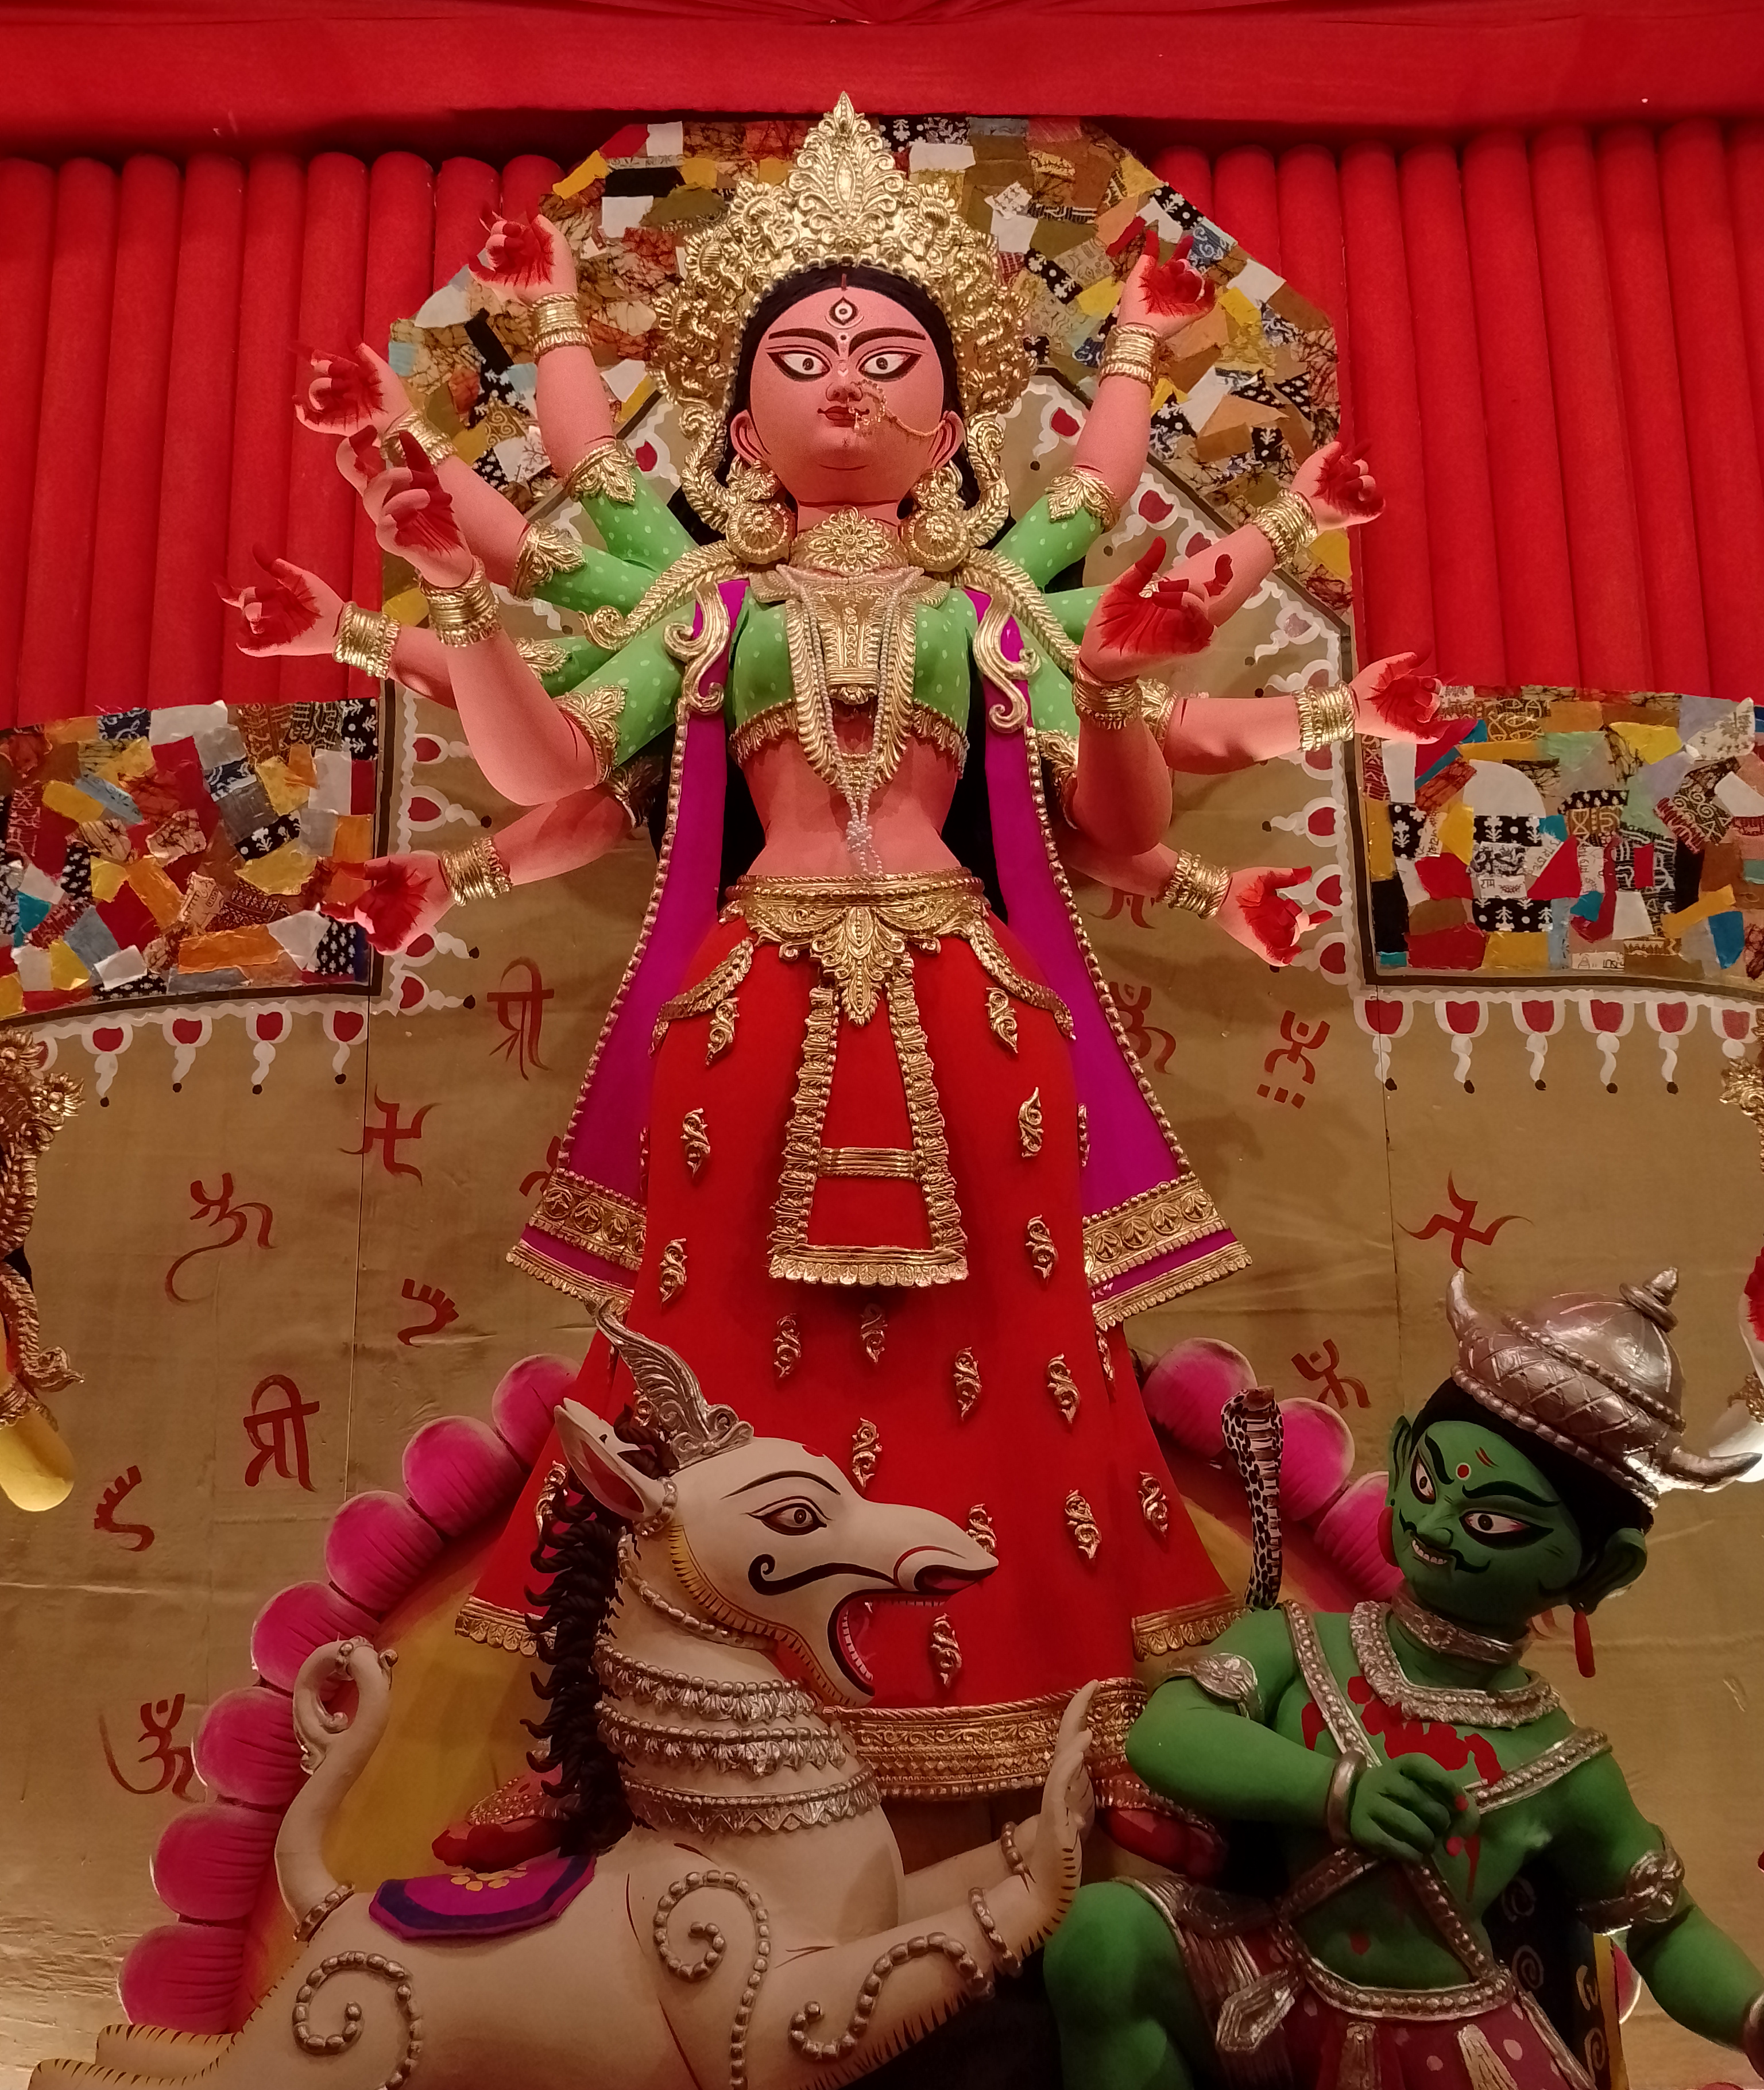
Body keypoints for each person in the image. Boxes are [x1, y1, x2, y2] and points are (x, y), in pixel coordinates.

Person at [229, 99, 1437, 1803]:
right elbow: (553, 772)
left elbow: (1116, 812)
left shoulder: (992, 606)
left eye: (888, 357)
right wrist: (454, 593)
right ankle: (601, 1740)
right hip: (751, 1000)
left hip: (970, 998)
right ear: (741, 424)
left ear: (955, 421)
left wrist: (1114, 679)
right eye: (803, 360)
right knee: (695, 1333)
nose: (848, 383)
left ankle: (1082, 1720)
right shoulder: (708, 606)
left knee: (1028, 1337)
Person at [1046, 1264, 1764, 2090]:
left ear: (1602, 1571)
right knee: (1103, 1940)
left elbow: (1665, 1927)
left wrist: (1752, 2016)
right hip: (1281, 1981)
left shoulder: (1562, 1762)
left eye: (1501, 1520)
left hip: (1459, 2047)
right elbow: (1166, 1733)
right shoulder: (1300, 1643)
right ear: (1399, 1453)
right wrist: (1334, 1790)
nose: (1444, 1524)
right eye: (1430, 1479)